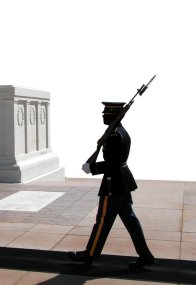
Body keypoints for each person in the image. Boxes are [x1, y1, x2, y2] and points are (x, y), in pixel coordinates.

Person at [67, 102, 155, 269]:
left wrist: (92, 168)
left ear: (114, 116)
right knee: (130, 220)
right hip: (123, 182)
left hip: (113, 185)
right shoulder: (121, 132)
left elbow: (112, 164)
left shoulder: (114, 136)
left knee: (102, 221)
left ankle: (90, 254)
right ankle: (145, 255)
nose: (103, 116)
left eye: (106, 114)